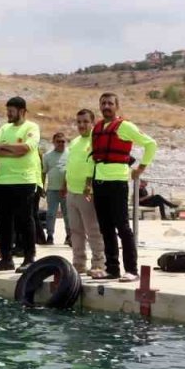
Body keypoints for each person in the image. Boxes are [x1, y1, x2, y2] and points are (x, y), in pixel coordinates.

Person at [91, 92, 157, 282]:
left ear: (117, 106)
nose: (106, 106)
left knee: (122, 227)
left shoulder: (125, 126)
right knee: (106, 228)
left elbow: (151, 144)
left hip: (117, 183)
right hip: (99, 182)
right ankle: (112, 269)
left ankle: (132, 270)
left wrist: (140, 168)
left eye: (110, 103)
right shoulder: (97, 128)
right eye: (103, 103)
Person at [0, 97, 41, 273]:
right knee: (4, 221)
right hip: (2, 181)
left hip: (24, 181)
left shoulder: (31, 127)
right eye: (7, 110)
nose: (8, 114)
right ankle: (6, 259)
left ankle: (29, 258)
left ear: (22, 111)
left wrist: (5, 148)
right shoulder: (4, 128)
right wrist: (14, 150)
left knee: (25, 220)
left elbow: (26, 148)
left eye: (11, 111)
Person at [64, 109, 106, 278]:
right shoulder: (74, 142)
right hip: (71, 191)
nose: (81, 125)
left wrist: (89, 185)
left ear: (92, 123)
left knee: (93, 230)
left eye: (85, 122)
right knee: (75, 230)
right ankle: (79, 263)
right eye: (79, 122)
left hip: (87, 192)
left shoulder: (96, 140)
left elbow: (95, 164)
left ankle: (98, 263)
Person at [42, 132, 69, 245]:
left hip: (67, 190)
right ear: (53, 142)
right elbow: (44, 172)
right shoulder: (47, 156)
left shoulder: (70, 154)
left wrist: (66, 186)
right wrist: (42, 187)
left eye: (63, 141)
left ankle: (69, 236)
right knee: (51, 214)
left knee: (67, 214)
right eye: (58, 141)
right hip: (52, 190)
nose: (61, 144)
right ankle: (50, 235)